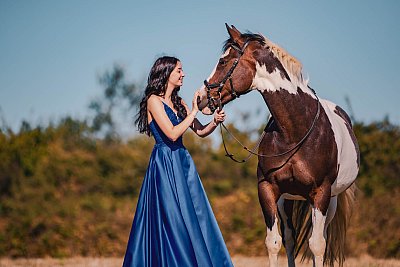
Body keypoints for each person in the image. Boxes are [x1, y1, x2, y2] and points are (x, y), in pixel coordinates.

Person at [122, 56, 233, 267]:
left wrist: (215, 122)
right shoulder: (153, 101)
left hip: (182, 164)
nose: (183, 74)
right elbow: (172, 134)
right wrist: (193, 112)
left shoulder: (179, 103)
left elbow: (200, 132)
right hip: (164, 165)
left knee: (194, 218)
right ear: (166, 73)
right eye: (179, 71)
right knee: (172, 220)